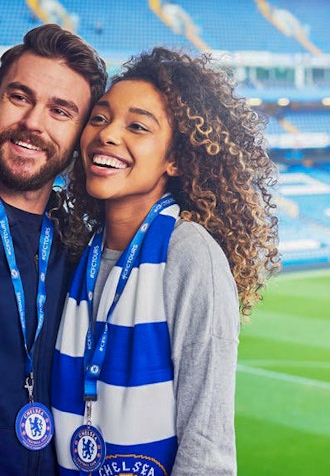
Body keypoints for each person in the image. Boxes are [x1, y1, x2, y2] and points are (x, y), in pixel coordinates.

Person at [52, 47, 280, 475]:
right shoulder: (79, 247)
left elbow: (207, 447)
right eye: (99, 118)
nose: (108, 135)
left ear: (176, 158)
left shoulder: (189, 255)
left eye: (137, 126)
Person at [0, 24, 107, 476]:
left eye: (61, 111)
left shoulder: (81, 247)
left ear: (82, 133)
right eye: (19, 97)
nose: (33, 123)